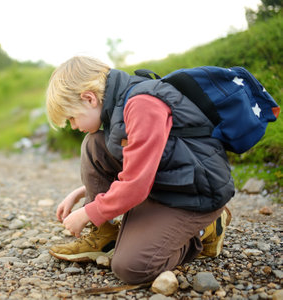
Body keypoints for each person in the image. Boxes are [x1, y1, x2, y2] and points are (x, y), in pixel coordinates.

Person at [45, 56, 234, 284]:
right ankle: (104, 235)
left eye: (72, 118)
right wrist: (83, 191)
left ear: (89, 98)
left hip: (196, 191)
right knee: (94, 144)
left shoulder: (141, 104)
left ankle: (206, 231)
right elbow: (139, 163)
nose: (74, 126)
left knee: (132, 267)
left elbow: (136, 184)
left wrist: (87, 213)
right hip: (167, 179)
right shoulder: (118, 108)